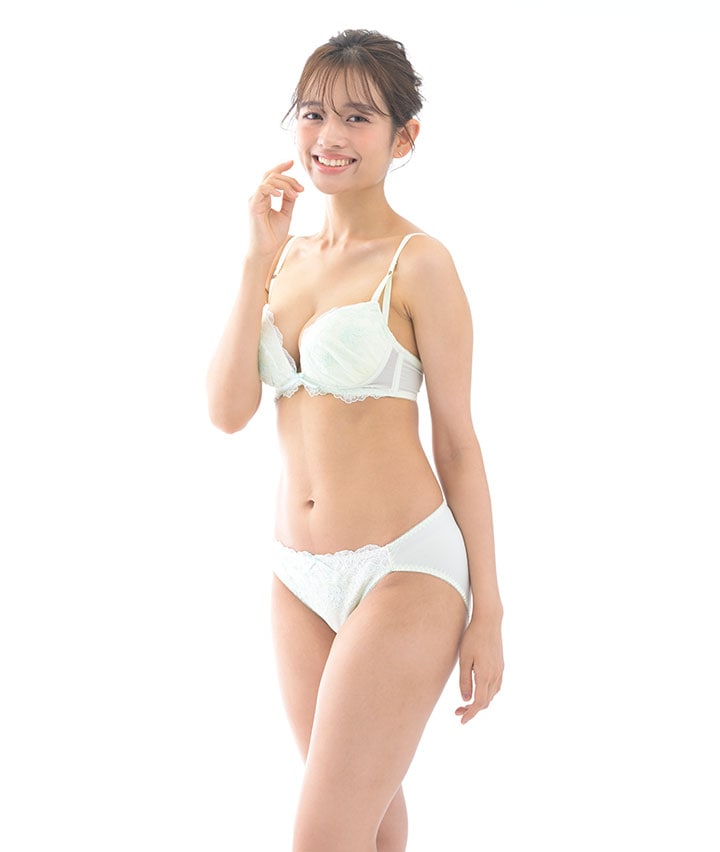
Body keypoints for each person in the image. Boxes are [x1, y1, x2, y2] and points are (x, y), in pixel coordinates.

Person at [207, 28, 504, 852]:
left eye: (358, 118)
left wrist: (489, 610)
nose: (329, 135)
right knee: (368, 821)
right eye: (313, 113)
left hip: (405, 570)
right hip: (296, 575)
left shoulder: (421, 263)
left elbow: (459, 444)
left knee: (323, 835)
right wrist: (254, 262)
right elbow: (227, 411)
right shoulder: (283, 258)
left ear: (404, 138)